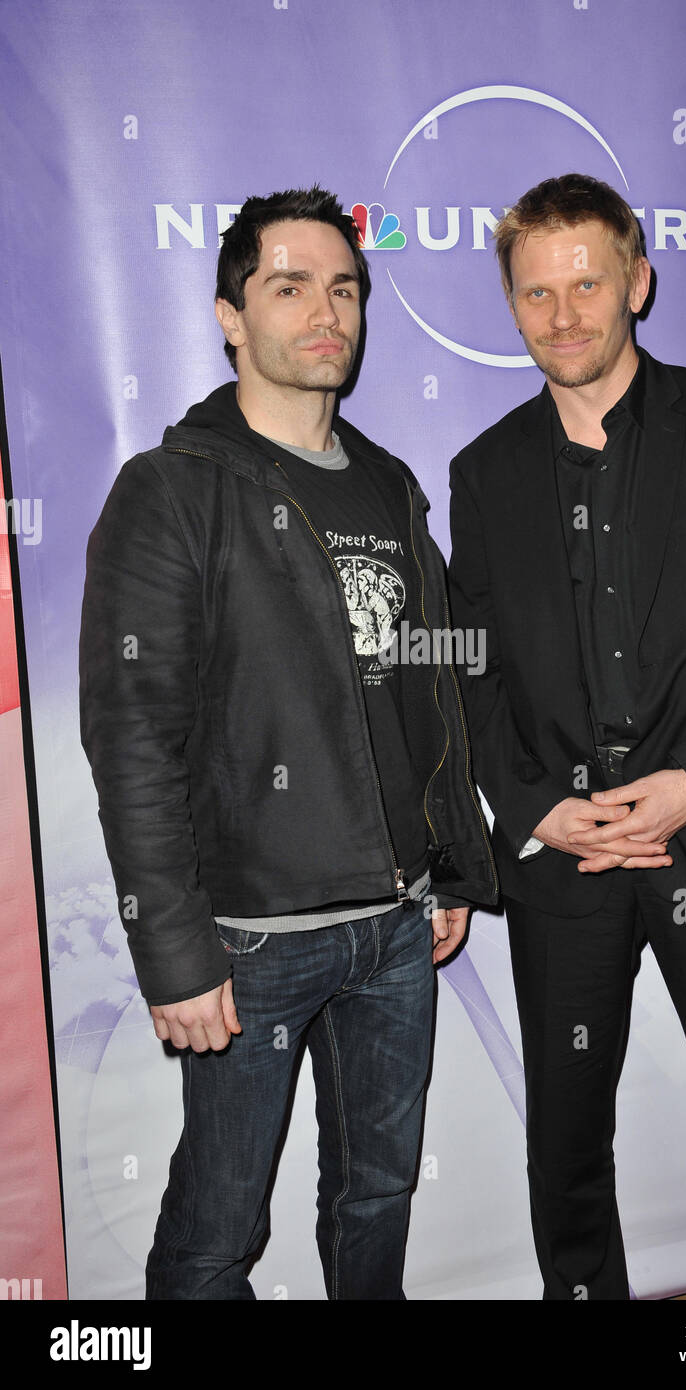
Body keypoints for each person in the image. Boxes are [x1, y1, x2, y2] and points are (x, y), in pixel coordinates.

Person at [79, 186, 497, 1301]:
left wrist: (446, 861)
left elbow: (431, 693)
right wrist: (174, 951)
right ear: (230, 314)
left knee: (378, 1199)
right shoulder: (172, 490)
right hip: (251, 940)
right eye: (291, 286)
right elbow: (132, 737)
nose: (327, 312)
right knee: (215, 1237)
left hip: (398, 926)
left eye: (345, 288)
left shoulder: (389, 484)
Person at [447, 173, 686, 1300]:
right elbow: (473, 665)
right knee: (564, 1156)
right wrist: (531, 808)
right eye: (535, 293)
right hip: (565, 862)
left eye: (587, 284)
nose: (563, 315)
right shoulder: (484, 471)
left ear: (638, 283)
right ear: (511, 303)